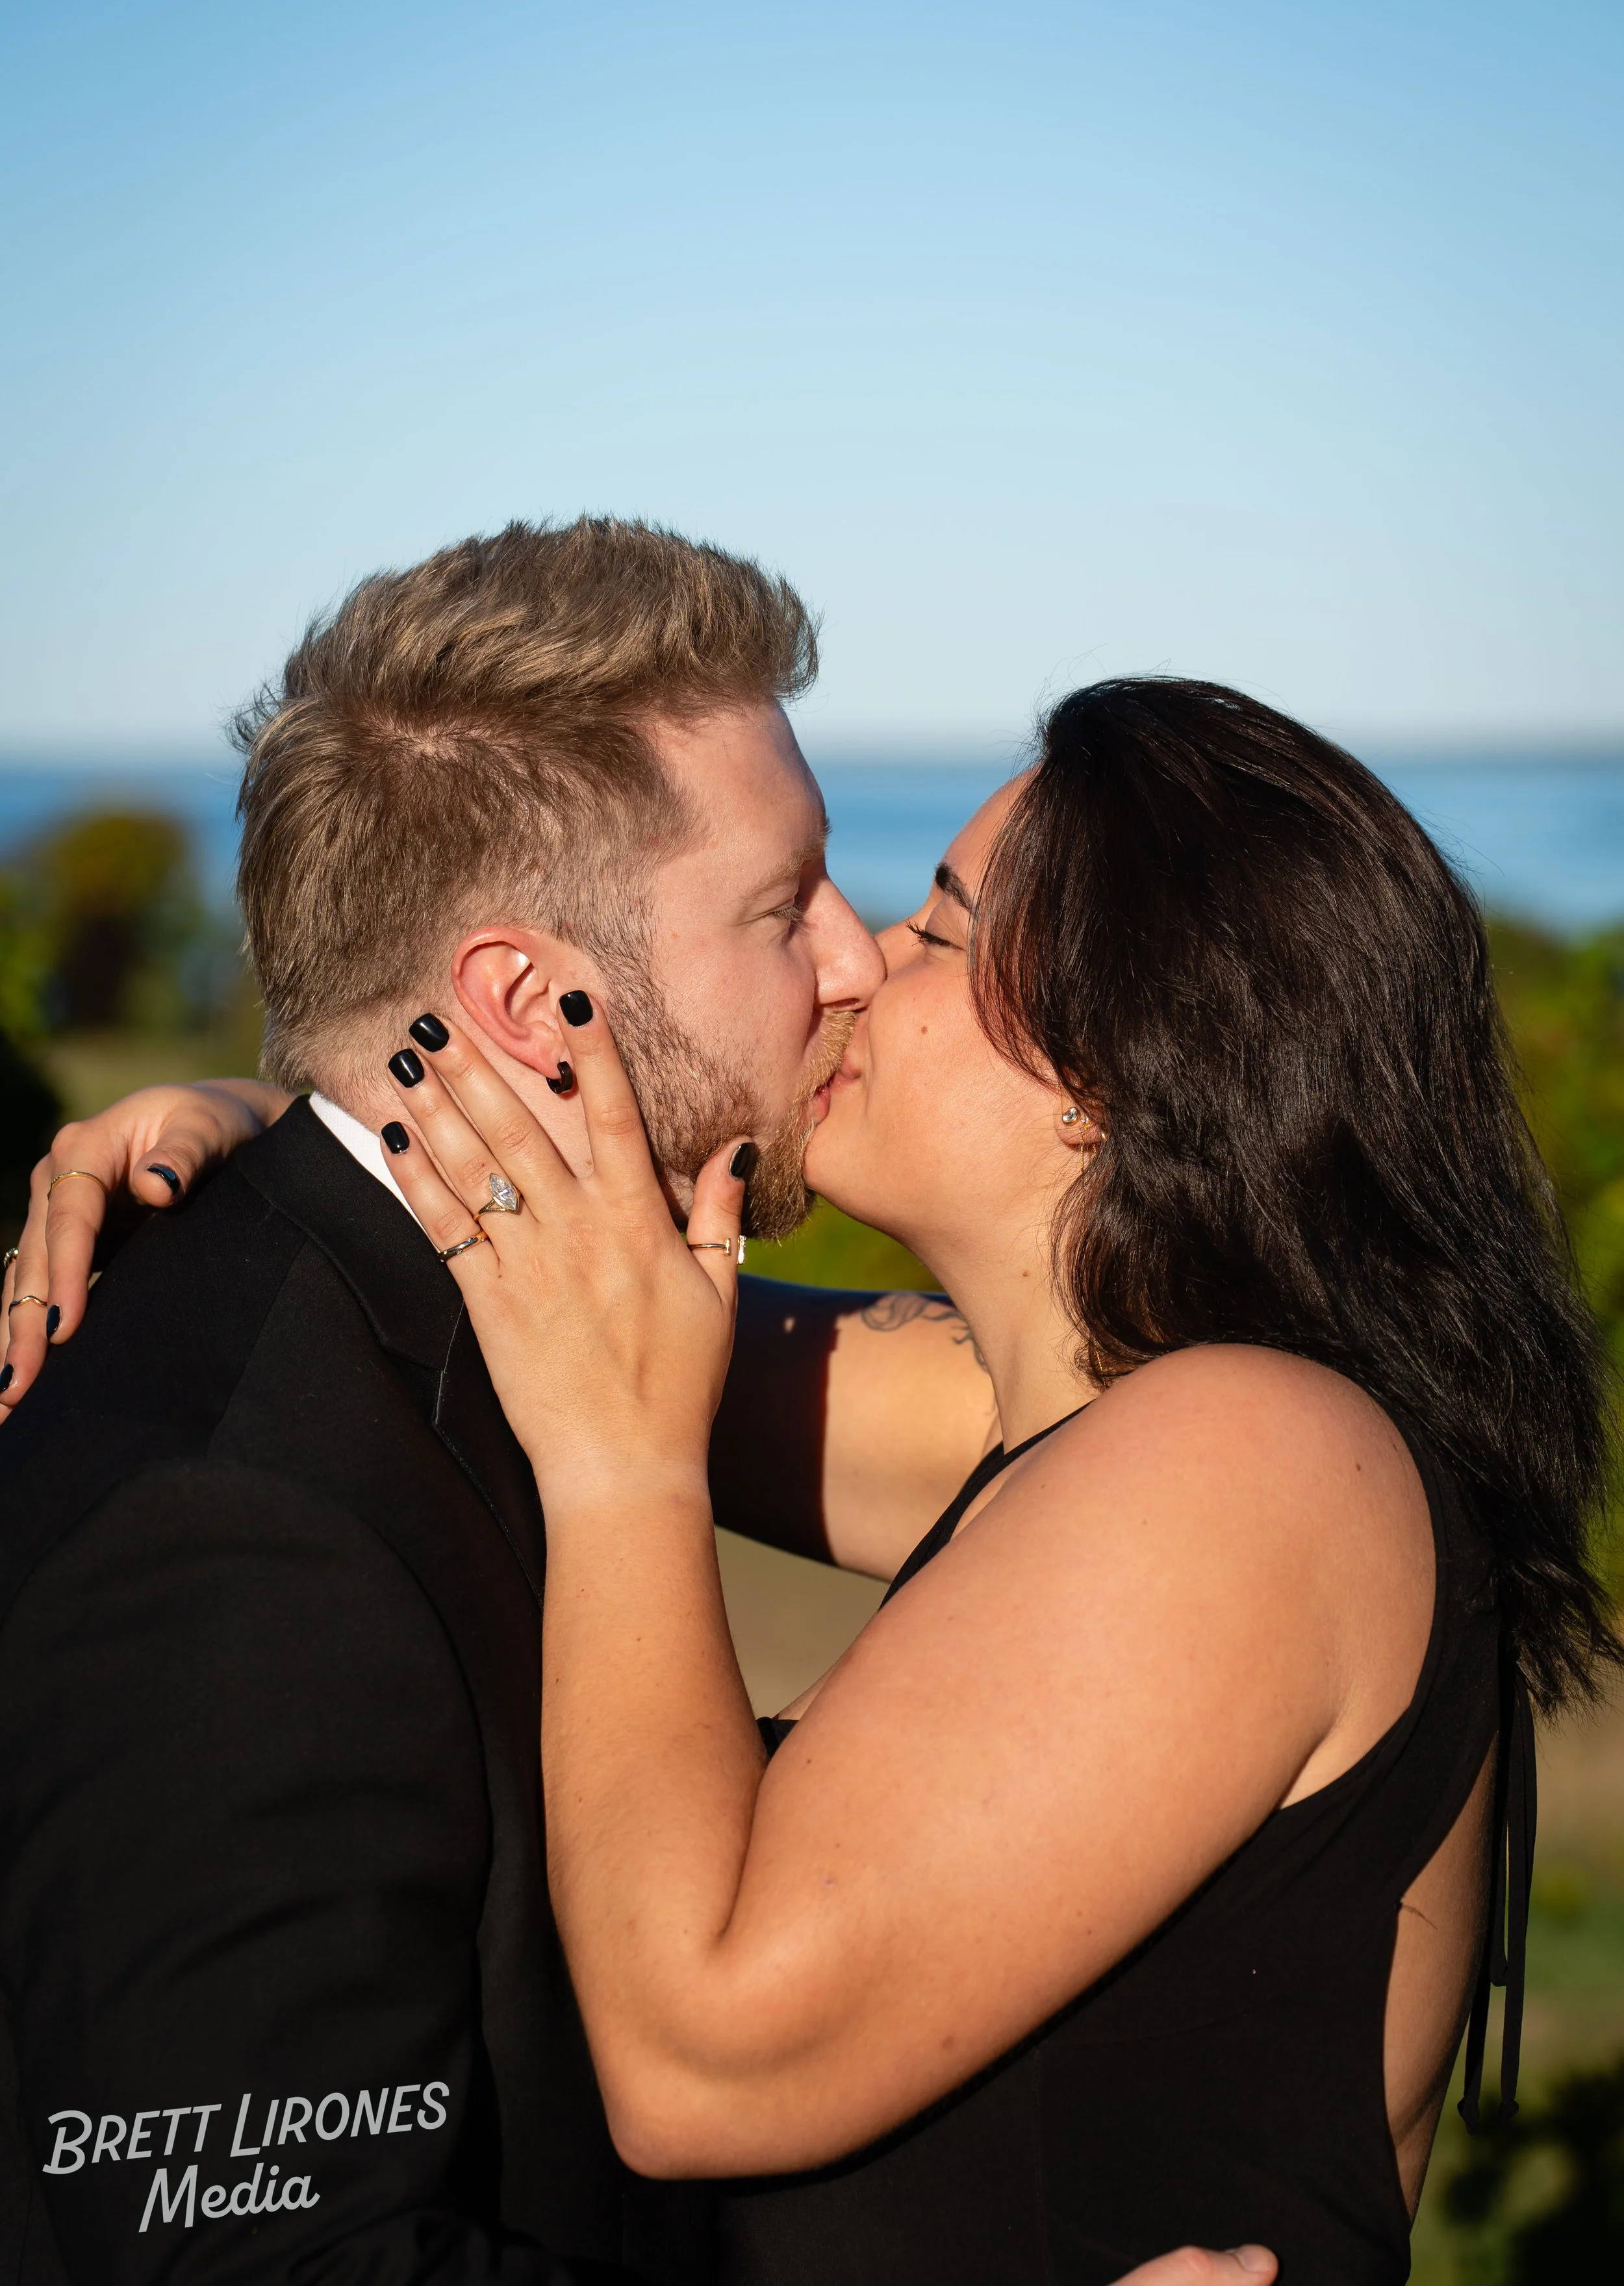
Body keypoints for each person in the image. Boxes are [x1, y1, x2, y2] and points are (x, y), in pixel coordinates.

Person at [130, 678, 1611, 2283]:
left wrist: (623, 1475)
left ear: (1107, 1070)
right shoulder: (1087, 1423)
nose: (850, 970)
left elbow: (703, 2058)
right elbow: (559, 1281)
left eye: (932, 932)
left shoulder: (1248, 1462)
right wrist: (270, 1136)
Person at [0, 522, 1261, 2286]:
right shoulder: (237, 1524)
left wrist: (283, 1118)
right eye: (780, 903)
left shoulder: (534, 1340)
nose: (853, 961)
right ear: (530, 1004)